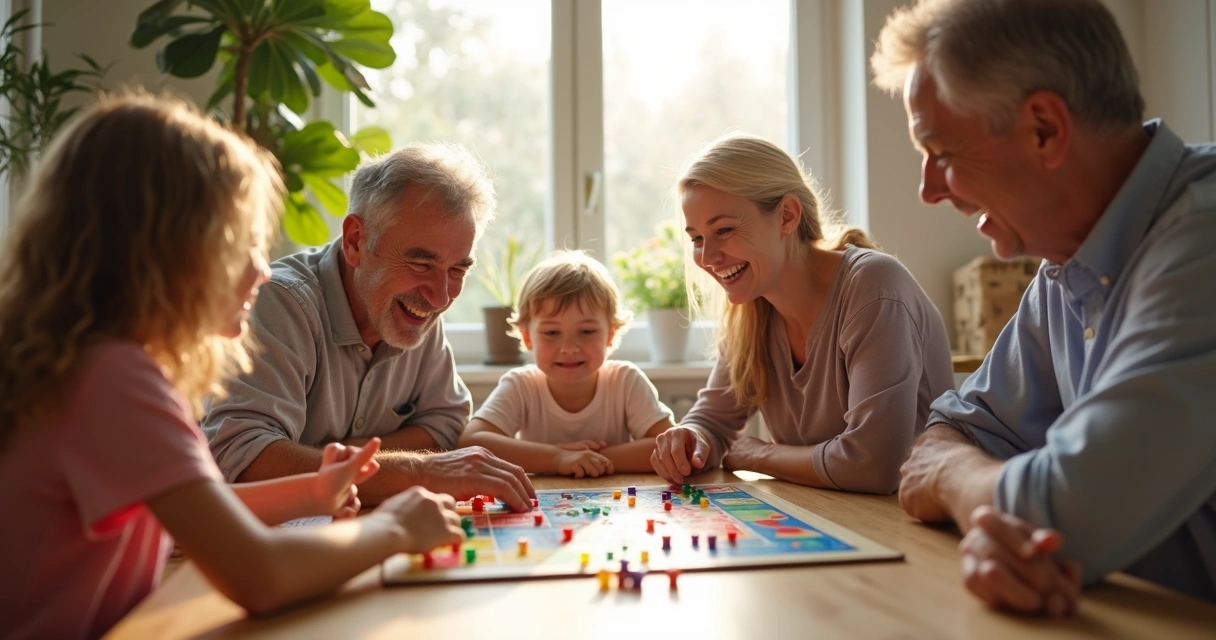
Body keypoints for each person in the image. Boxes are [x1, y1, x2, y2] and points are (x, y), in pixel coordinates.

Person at [0, 94, 465, 639]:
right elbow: (260, 576)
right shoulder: (113, 379)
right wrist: (393, 529)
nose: (262, 270)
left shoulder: (88, 361)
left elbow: (198, 508)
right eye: (242, 244)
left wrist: (313, 490)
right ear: (167, 252)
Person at [871, 0, 1216, 615]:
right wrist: (993, 518)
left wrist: (963, 487)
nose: (928, 191)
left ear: (1045, 130)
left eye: (940, 153)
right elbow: (949, 433)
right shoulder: (1066, 265)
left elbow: (1071, 511)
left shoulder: (1203, 238)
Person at [202, 142, 535, 511]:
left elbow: (445, 426)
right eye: (421, 264)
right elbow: (243, 460)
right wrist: (418, 471)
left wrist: (341, 460)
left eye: (458, 269)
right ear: (355, 241)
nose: (441, 297)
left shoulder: (417, 307)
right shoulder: (279, 302)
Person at [649, 134, 954, 494]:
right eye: (697, 238)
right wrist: (691, 438)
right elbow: (714, 424)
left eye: (724, 230)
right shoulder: (751, 309)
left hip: (907, 526)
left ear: (787, 216)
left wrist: (759, 455)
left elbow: (875, 465)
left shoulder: (874, 286)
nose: (708, 257)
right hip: (826, 517)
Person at [458, 250, 675, 476]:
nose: (569, 348)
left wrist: (589, 460)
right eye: (552, 332)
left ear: (610, 335)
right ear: (527, 337)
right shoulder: (521, 386)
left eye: (586, 331)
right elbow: (471, 443)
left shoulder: (625, 380)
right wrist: (558, 458)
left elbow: (670, 448)